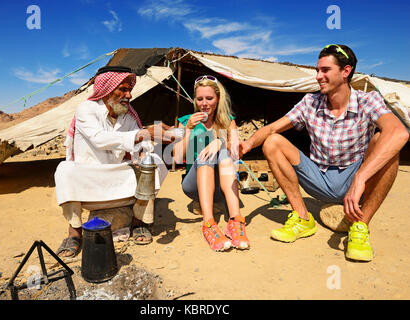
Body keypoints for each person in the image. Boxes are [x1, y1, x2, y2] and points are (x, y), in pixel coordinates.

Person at [239, 44, 409, 262]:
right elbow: (272, 128)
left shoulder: (368, 100)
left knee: (384, 141)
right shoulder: (310, 102)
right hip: (318, 177)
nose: (318, 76)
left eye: (325, 70)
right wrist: (248, 144)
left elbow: (399, 133)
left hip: (355, 177)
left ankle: (360, 226)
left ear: (346, 71)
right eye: (317, 70)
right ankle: (303, 219)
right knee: (272, 142)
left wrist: (359, 179)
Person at [54, 66, 169, 258]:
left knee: (153, 161)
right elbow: (99, 139)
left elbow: (142, 145)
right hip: (90, 179)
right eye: (122, 89)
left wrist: (142, 153)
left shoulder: (128, 116)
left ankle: (139, 223)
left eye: (129, 90)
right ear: (107, 89)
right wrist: (142, 134)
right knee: (64, 170)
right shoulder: (86, 109)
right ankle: (74, 233)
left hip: (118, 178)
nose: (128, 95)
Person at [173, 75, 250, 252]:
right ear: (194, 100)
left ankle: (235, 221)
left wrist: (220, 141)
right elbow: (177, 157)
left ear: (218, 98)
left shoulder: (228, 120)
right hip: (194, 186)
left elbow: (236, 153)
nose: (204, 103)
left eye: (209, 98)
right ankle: (208, 223)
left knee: (223, 151)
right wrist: (188, 131)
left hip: (221, 188)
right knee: (204, 155)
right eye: (200, 99)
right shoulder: (186, 121)